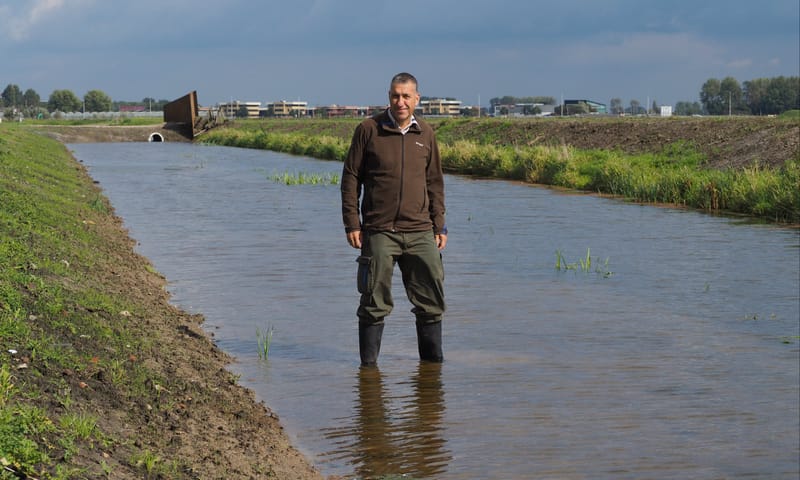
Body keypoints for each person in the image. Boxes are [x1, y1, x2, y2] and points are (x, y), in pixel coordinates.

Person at [341, 72, 447, 367]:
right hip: (378, 231)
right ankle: (368, 371)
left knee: (431, 304)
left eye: (405, 96)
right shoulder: (368, 130)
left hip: (420, 231)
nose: (400, 102)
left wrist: (440, 224)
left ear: (417, 99)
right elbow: (351, 178)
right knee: (373, 303)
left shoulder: (426, 134)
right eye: (394, 96)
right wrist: (352, 222)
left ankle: (432, 371)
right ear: (389, 97)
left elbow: (435, 181)